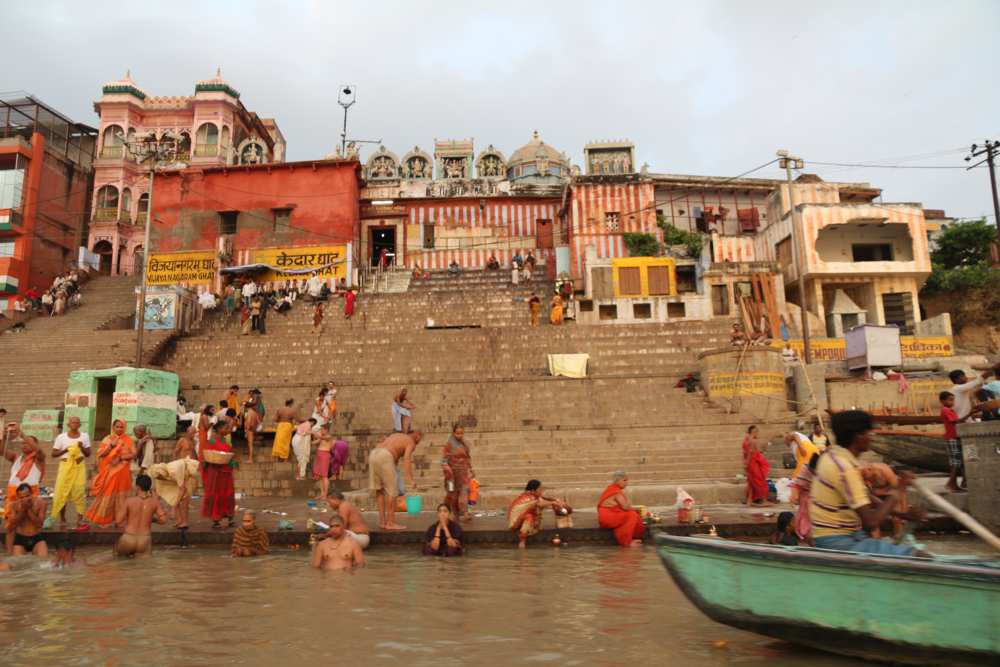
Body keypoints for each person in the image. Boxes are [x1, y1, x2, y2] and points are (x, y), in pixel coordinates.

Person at [809, 410, 927, 556]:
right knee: (919, 556)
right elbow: (871, 522)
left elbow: (868, 499)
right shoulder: (845, 468)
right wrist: (899, 488)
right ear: (858, 435)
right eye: (869, 432)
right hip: (837, 541)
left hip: (842, 535)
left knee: (891, 546)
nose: (872, 436)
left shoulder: (831, 456)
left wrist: (903, 515)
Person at [85, 420, 135, 527]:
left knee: (122, 498)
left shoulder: (128, 440)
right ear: (113, 427)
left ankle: (120, 520)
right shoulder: (107, 439)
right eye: (117, 427)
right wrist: (111, 446)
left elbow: (134, 454)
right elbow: (100, 454)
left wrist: (120, 457)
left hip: (123, 474)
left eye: (122, 427)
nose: (119, 429)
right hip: (109, 473)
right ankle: (104, 520)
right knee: (107, 496)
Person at [369, 431, 421, 530]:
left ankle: (382, 522)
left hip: (374, 453)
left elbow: (395, 458)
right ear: (417, 436)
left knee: (379, 490)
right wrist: (410, 479)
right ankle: (391, 523)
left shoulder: (395, 436)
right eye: (420, 438)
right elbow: (407, 460)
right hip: (385, 455)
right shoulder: (410, 442)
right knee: (392, 492)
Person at [50, 416, 92, 529]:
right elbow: (53, 454)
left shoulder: (84, 436)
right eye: (72, 422)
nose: (74, 424)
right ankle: (62, 519)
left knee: (79, 492)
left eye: (77, 422)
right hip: (65, 467)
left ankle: (80, 519)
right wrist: (66, 450)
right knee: (62, 492)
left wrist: (81, 447)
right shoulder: (61, 437)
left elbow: (88, 454)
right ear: (68, 424)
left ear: (80, 425)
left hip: (79, 466)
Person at [114, 474, 165, 558]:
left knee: (117, 557)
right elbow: (163, 520)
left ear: (137, 487)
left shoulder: (129, 501)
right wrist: (153, 520)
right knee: (142, 567)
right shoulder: (154, 502)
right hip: (144, 540)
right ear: (149, 488)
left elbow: (118, 520)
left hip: (128, 538)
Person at [201, 418, 236, 529]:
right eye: (226, 428)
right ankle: (216, 519)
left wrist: (233, 462)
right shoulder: (212, 440)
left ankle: (229, 517)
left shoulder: (225, 441)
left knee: (229, 495)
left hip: (226, 473)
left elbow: (228, 454)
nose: (228, 430)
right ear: (219, 429)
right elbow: (207, 456)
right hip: (216, 473)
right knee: (217, 495)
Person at [149, 456, 199, 530]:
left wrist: (174, 508)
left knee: (184, 496)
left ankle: (185, 522)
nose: (159, 479)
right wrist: (154, 508)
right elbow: (158, 493)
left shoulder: (174, 471)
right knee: (175, 496)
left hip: (191, 472)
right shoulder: (158, 473)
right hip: (179, 476)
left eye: (160, 477)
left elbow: (182, 489)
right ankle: (179, 520)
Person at [597, 471, 645, 547]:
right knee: (631, 515)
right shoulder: (616, 491)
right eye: (624, 480)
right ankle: (627, 542)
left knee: (632, 514)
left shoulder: (611, 488)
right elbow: (625, 507)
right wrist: (630, 502)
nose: (627, 483)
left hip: (604, 518)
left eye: (627, 480)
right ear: (617, 480)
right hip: (608, 518)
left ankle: (632, 537)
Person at [508, 479, 559, 549]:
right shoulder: (529, 499)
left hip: (521, 519)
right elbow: (540, 504)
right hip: (515, 523)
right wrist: (552, 503)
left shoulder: (532, 495)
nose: (542, 491)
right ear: (533, 490)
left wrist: (554, 500)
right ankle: (522, 540)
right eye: (540, 489)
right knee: (529, 517)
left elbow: (542, 498)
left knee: (531, 515)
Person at [442, 424, 475, 521]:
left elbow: (467, 458)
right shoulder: (449, 444)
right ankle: (448, 511)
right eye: (457, 433)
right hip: (451, 475)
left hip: (463, 474)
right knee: (451, 493)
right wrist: (447, 469)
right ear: (453, 433)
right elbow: (444, 460)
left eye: (461, 433)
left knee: (464, 491)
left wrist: (471, 469)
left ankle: (464, 512)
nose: (459, 435)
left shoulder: (464, 444)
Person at [8, 483, 48, 557]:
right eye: (22, 497)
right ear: (18, 497)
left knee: (43, 561)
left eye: (27, 496)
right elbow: (13, 524)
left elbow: (39, 524)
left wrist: (29, 510)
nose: (25, 499)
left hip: (37, 537)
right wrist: (23, 510)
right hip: (20, 538)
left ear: (31, 494)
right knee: (18, 563)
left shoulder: (41, 503)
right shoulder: (14, 505)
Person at [939, 390, 966, 493]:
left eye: (953, 400)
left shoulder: (950, 410)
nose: (952, 402)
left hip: (954, 438)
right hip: (952, 438)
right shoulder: (946, 410)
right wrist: (970, 413)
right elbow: (957, 421)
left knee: (958, 461)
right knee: (956, 462)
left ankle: (957, 483)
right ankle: (951, 483)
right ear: (942, 401)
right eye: (950, 400)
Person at [789, 453, 818, 543]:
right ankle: (805, 535)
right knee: (806, 517)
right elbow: (797, 485)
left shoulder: (823, 470)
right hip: (805, 497)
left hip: (816, 497)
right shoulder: (805, 469)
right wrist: (794, 497)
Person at [742, 425, 771, 505]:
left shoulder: (746, 440)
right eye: (757, 432)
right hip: (753, 463)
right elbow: (750, 453)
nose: (757, 433)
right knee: (760, 481)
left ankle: (749, 500)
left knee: (751, 481)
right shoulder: (752, 441)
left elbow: (744, 453)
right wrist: (747, 463)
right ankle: (764, 500)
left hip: (750, 462)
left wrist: (745, 462)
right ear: (754, 432)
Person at [242, 388, 264, 463]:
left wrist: (246, 403)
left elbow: (249, 424)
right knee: (250, 440)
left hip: (252, 424)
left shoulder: (255, 400)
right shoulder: (258, 406)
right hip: (256, 423)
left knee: (250, 442)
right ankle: (250, 458)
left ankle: (250, 458)